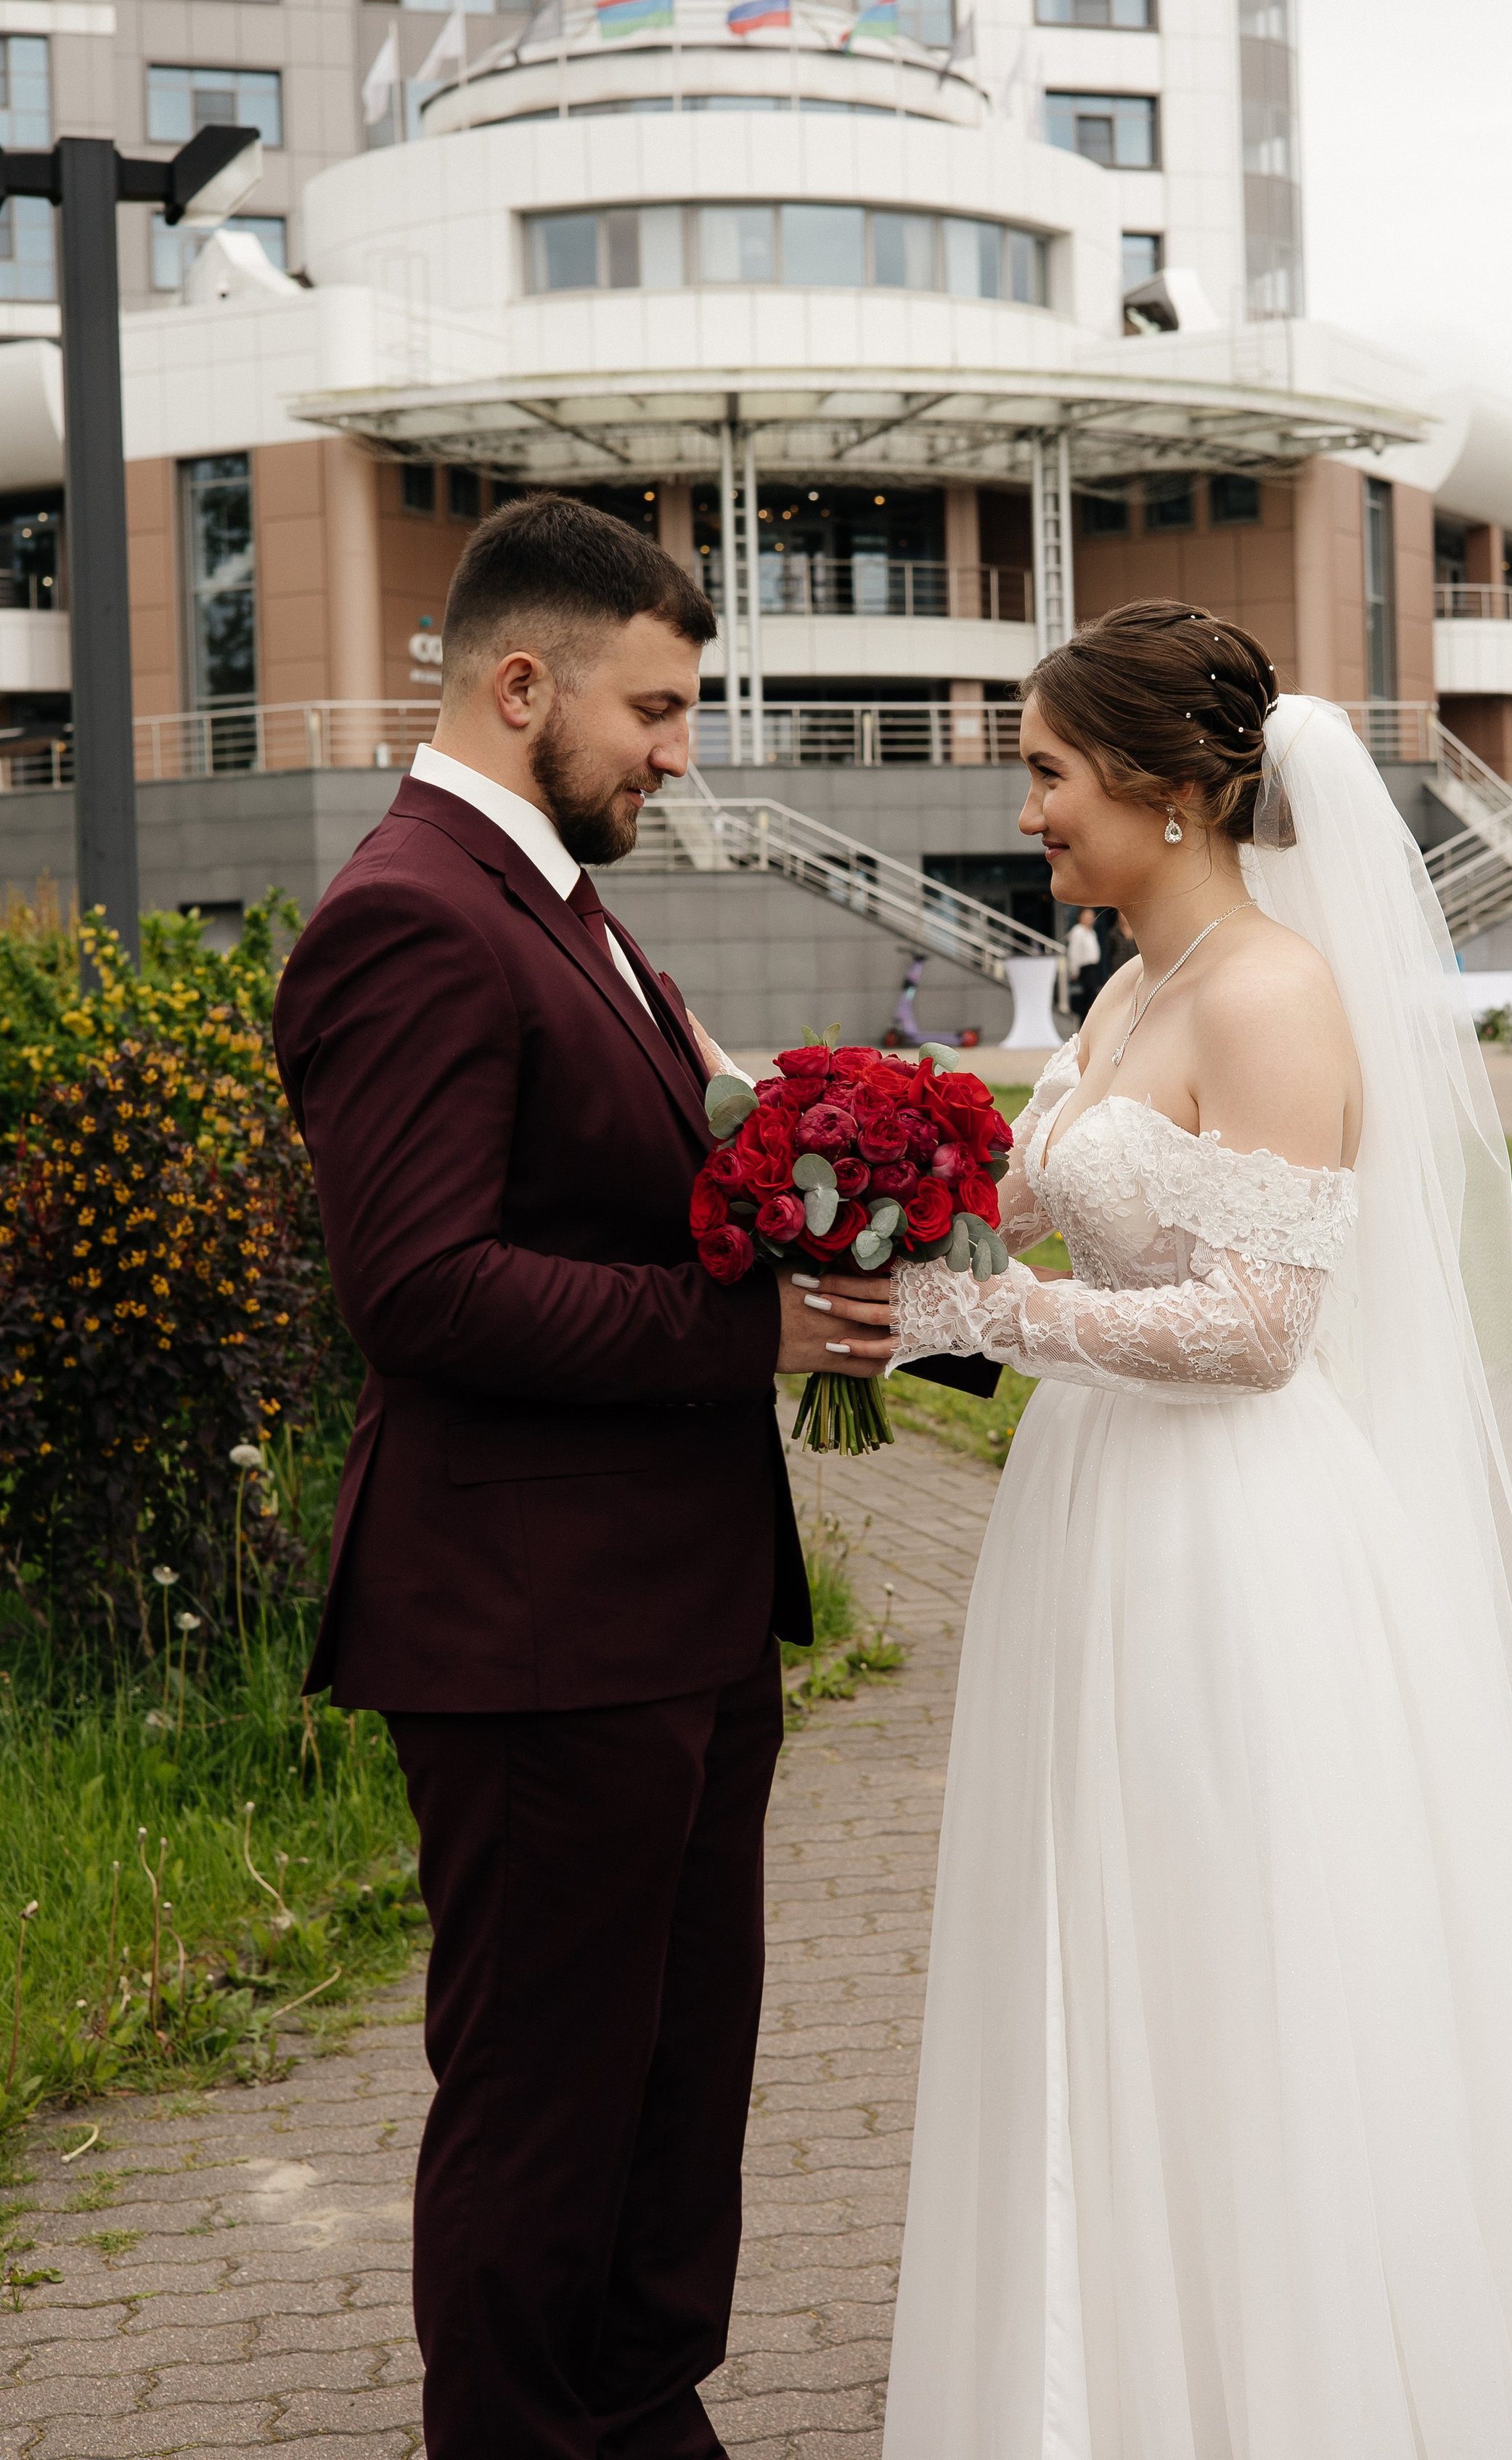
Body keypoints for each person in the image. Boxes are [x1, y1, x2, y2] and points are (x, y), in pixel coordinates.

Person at [879, 600, 1512, 2459]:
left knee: (1242, 1949)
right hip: (1086, 1522)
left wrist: (978, 1318)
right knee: (1102, 1933)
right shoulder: (1116, 993)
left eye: (1049, 774)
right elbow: (1074, 1245)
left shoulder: (1269, 990)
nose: (1030, 813)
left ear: (1167, 789)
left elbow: (1254, 1328)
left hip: (1225, 1542)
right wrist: (882, 1247)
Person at [273, 494, 910, 2460]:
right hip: (533, 1636)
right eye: (655, 706)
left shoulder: (560, 898)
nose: (678, 748)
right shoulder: (409, 913)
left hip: (673, 1614)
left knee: (671, 2074)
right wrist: (759, 1338)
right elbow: (427, 1292)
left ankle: (641, 2414)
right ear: (521, 679)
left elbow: (633, 1185)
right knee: (549, 2099)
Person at [1063, 903, 1103, 1015]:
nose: (1090, 919)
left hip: (1093, 967)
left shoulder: (1092, 932)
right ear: (1080, 917)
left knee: (1093, 996)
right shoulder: (1078, 931)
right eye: (1087, 916)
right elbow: (1073, 952)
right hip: (1085, 968)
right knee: (1088, 998)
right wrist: (1074, 970)